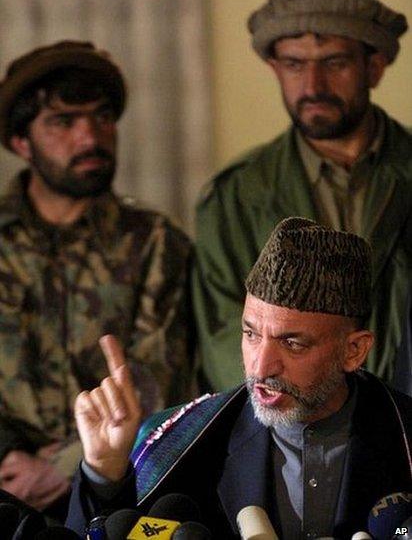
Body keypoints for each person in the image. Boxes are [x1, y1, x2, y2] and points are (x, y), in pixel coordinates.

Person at [66, 218, 412, 539]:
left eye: (292, 343)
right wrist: (104, 474)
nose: (261, 367)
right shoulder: (184, 441)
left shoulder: (403, 434)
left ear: (354, 351)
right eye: (251, 334)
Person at [0, 41, 193, 518]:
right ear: (21, 142)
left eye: (102, 117)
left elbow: (162, 380)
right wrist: (6, 456)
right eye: (64, 122)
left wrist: (69, 464)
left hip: (118, 482)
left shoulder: (155, 241)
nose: (91, 137)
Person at [192, 0, 412, 394]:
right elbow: (226, 340)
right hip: (291, 433)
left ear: (374, 68)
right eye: (294, 65)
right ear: (275, 69)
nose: (313, 85)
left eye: (335, 63)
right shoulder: (236, 196)